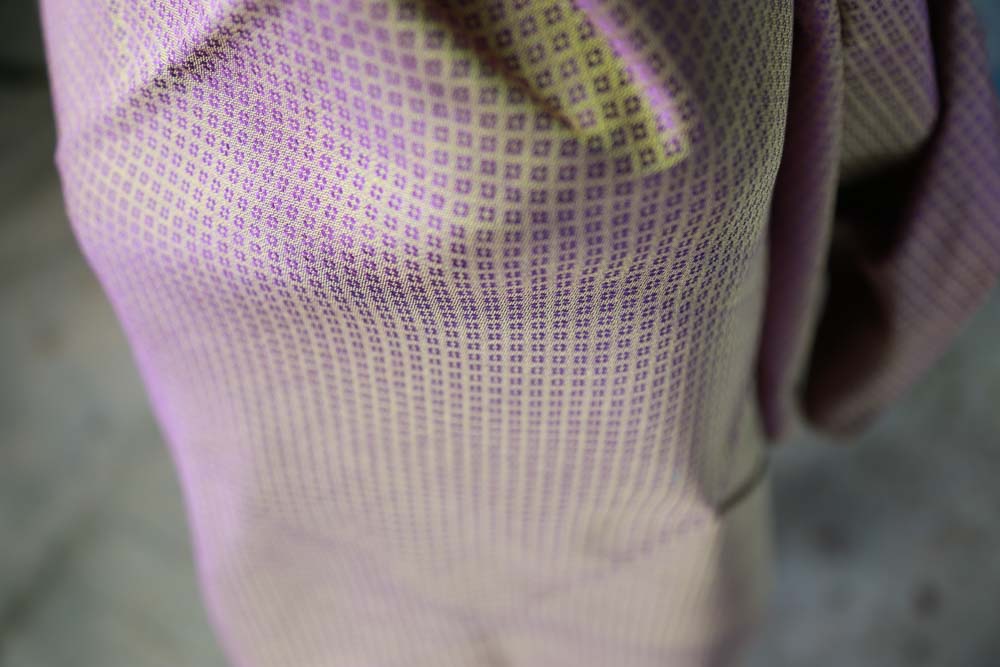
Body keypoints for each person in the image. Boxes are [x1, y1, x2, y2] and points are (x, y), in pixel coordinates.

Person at [38, 0, 1000, 664]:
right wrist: (857, 347)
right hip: (589, 164)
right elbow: (894, 132)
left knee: (300, 528)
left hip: (171, 126)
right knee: (623, 557)